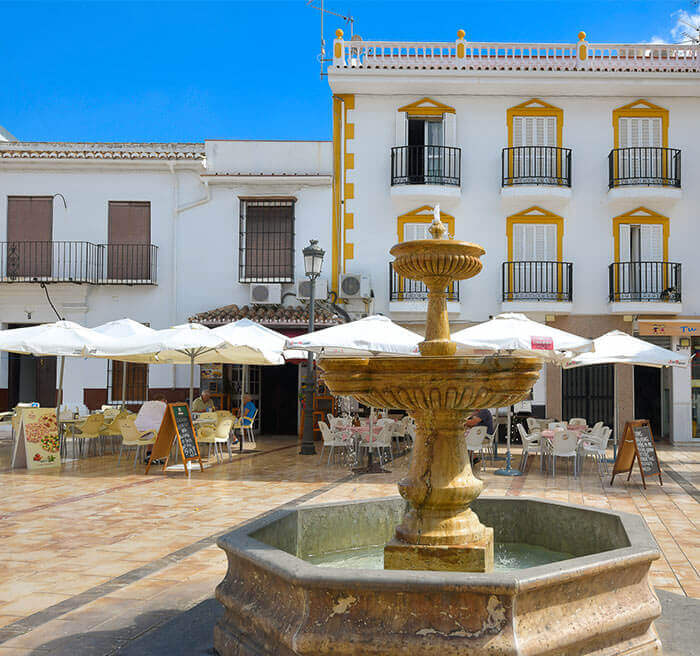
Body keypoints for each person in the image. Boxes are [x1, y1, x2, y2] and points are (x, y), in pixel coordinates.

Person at [135, 395, 168, 462]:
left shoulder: (146, 404)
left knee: (152, 431)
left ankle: (149, 454)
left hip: (136, 432)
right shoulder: (163, 405)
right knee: (163, 432)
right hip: (151, 433)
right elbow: (168, 417)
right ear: (164, 401)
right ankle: (157, 456)